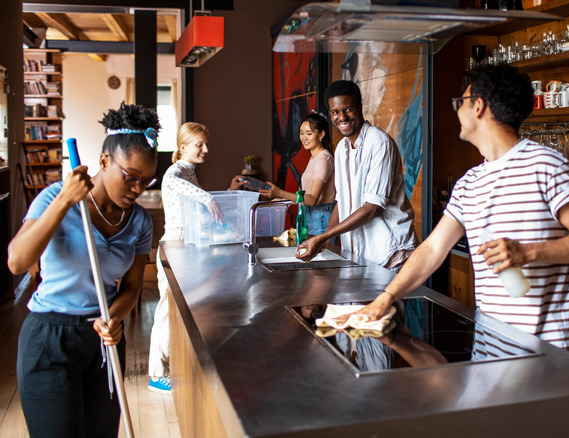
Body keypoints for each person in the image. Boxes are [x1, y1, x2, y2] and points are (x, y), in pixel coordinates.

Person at [354, 65, 569, 351]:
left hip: (551, 350)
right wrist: (385, 298)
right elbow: (432, 249)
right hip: (491, 343)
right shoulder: (469, 184)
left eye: (459, 103)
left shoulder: (547, 164)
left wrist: (528, 252)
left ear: (478, 106)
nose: (456, 111)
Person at [8, 102, 160, 436]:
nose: (138, 189)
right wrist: (64, 200)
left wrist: (116, 317)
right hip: (49, 338)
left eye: (146, 181)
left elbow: (132, 286)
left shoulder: (139, 221)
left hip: (103, 340)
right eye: (131, 177)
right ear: (104, 161)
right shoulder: (55, 198)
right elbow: (17, 261)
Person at [147, 122, 246, 394]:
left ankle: (175, 367)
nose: (206, 149)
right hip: (174, 244)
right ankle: (157, 374)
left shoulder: (190, 172)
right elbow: (173, 183)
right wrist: (206, 198)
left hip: (186, 245)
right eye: (199, 145)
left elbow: (202, 209)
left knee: (183, 309)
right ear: (182, 147)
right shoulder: (176, 171)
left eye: (205, 143)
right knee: (167, 311)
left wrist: (225, 192)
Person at [296, 80, 417, 271]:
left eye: (348, 109)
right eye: (335, 112)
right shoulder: (343, 148)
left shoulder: (379, 143)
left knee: (385, 302)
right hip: (361, 253)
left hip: (390, 251)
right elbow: (342, 202)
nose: (341, 117)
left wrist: (324, 236)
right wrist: (325, 237)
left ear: (360, 108)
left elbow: (373, 208)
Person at [259, 112, 337, 237]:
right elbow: (305, 196)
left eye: (309, 134)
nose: (304, 138)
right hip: (311, 214)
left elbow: (312, 199)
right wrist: (283, 200)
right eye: (301, 133)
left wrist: (280, 192)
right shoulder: (314, 158)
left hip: (321, 216)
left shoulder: (323, 159)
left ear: (321, 134)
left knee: (319, 256)